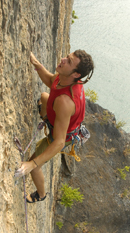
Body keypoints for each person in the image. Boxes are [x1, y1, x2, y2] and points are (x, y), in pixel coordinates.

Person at [15, 50, 94, 203]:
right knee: (44, 96)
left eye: (69, 62)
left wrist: (32, 164)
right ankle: (46, 117)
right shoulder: (65, 78)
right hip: (62, 120)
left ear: (76, 74)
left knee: (35, 167)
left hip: (62, 135)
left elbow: (59, 142)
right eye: (67, 57)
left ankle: (41, 194)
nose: (63, 60)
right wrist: (36, 63)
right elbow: (51, 81)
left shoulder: (65, 101)